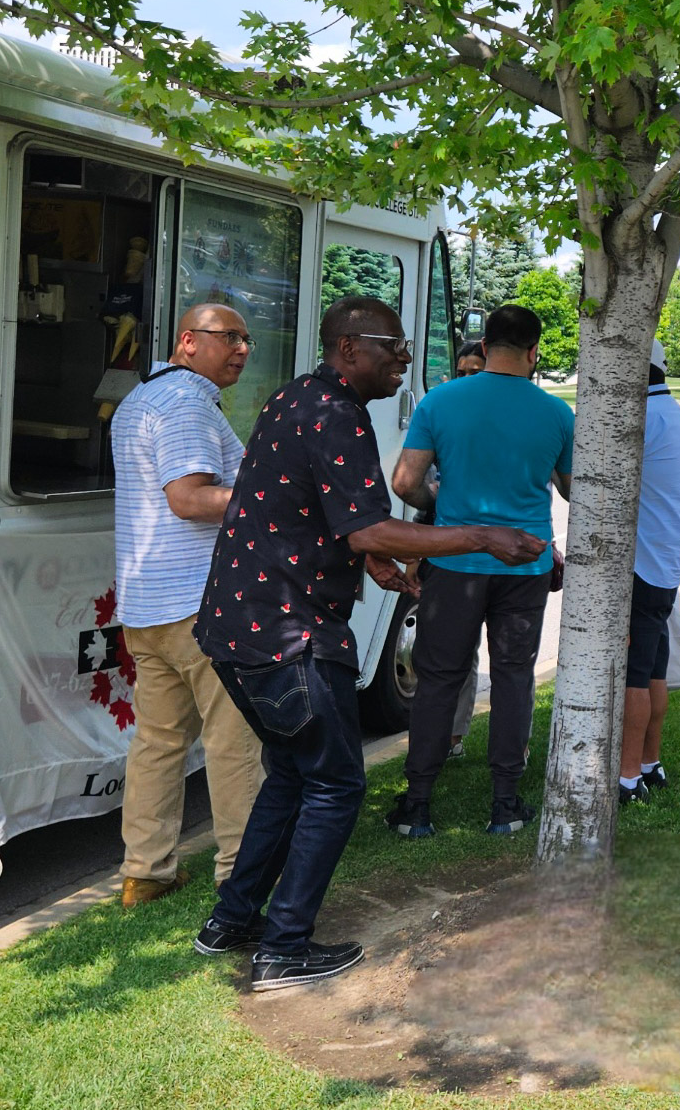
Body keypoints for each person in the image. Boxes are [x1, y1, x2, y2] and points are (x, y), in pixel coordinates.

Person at [191, 297, 544, 991]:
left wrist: (365, 558)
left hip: (236, 625)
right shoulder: (333, 413)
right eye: (393, 345)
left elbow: (307, 513)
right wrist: (481, 537)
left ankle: (233, 921)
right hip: (285, 634)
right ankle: (284, 948)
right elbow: (368, 527)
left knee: (292, 774)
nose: (405, 358)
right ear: (349, 348)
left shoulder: (296, 399)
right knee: (336, 783)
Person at [388, 305, 574, 837]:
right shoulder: (557, 412)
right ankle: (505, 803)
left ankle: (418, 806)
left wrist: (439, 503)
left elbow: (405, 483)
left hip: (453, 562)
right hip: (526, 565)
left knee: (438, 679)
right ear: (535, 352)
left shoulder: (441, 400)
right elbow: (572, 487)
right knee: (515, 675)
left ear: (486, 344)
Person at [111, 303, 263, 909]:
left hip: (147, 604)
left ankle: (146, 874)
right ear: (187, 341)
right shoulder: (187, 402)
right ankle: (241, 876)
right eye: (228, 337)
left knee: (158, 743)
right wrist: (273, 497)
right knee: (235, 742)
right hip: (200, 606)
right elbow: (191, 499)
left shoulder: (143, 396)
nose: (243, 349)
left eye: (247, 339)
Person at [619, 340, 680, 804]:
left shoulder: (640, 421)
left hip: (641, 565)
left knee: (635, 675)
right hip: (666, 562)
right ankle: (650, 763)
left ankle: (627, 778)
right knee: (653, 672)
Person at [442, 339, 489, 759]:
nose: (469, 379)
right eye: (463, 372)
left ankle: (513, 749)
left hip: (509, 560)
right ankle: (452, 735)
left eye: (478, 371)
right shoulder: (446, 415)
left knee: (512, 664)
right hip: (454, 556)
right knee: (456, 652)